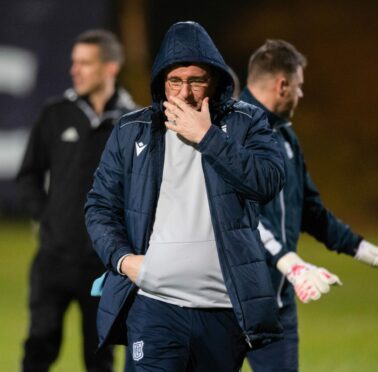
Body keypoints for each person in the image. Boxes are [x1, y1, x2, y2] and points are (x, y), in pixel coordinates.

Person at [84, 21, 286, 371]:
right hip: (155, 306)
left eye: (196, 80)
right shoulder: (133, 130)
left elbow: (267, 181)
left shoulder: (247, 122)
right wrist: (123, 260)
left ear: (216, 81)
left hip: (223, 310)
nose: (185, 92)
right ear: (161, 83)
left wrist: (208, 137)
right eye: (175, 81)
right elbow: (99, 206)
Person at [240, 39, 378, 372]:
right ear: (282, 85)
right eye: (298, 87)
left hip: (278, 302)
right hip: (227, 304)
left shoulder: (285, 137)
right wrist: (290, 262)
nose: (301, 95)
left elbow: (311, 211)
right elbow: (238, 215)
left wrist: (368, 252)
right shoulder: (230, 132)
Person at [16, 29, 136, 372]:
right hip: (54, 257)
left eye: (85, 63)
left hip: (105, 264)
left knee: (100, 356)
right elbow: (28, 175)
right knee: (39, 345)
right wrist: (46, 218)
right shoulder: (55, 114)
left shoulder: (134, 122)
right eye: (74, 62)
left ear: (111, 68)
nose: (75, 69)